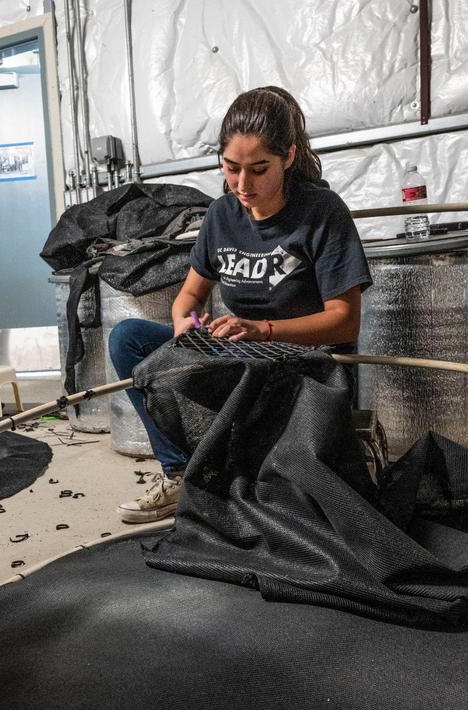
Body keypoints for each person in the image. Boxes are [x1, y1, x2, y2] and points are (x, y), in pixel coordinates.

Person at [109, 86, 372, 523]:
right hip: (237, 355)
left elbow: (344, 322)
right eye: (231, 169)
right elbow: (189, 298)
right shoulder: (221, 215)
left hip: (300, 365)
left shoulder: (323, 213)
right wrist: (186, 325)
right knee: (129, 338)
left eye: (258, 169)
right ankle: (181, 473)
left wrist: (261, 329)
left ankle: (260, 465)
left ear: (288, 157)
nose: (243, 185)